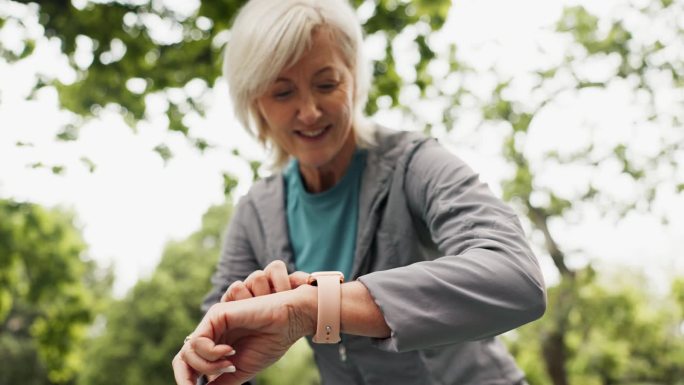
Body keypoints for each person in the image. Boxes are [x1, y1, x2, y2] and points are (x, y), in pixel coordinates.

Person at [172, 0, 546, 384]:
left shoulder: (413, 164)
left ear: (353, 78)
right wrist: (208, 361)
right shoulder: (256, 213)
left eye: (326, 83)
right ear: (255, 104)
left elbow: (516, 276)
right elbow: (216, 344)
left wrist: (316, 307)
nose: (310, 110)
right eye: (282, 93)